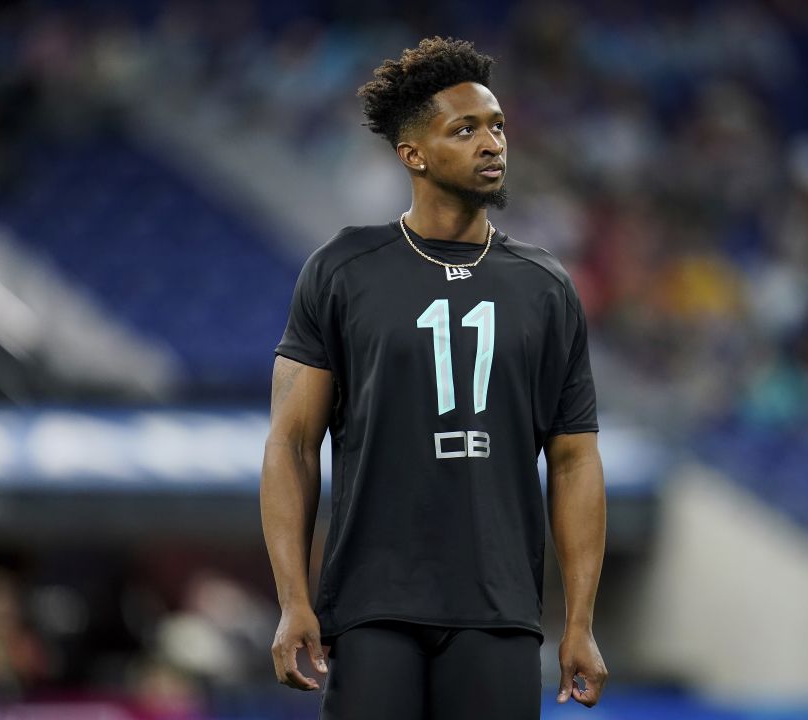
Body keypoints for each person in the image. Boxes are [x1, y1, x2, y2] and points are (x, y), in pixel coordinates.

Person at [259, 36, 609, 719]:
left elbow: (573, 459)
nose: (493, 143)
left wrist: (579, 620)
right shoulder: (342, 269)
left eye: (499, 126)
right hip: (372, 605)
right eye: (466, 128)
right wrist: (293, 598)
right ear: (412, 154)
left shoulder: (545, 285)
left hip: (499, 609)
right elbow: (292, 444)